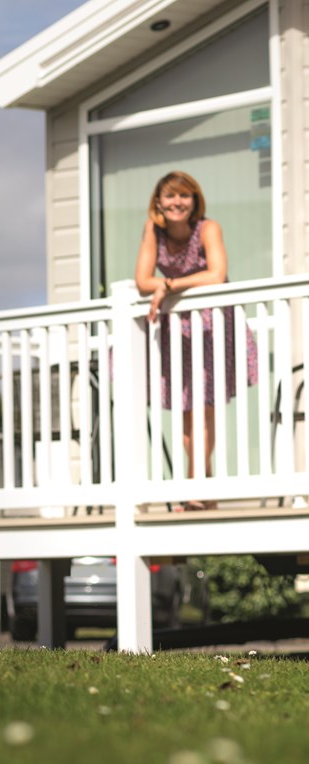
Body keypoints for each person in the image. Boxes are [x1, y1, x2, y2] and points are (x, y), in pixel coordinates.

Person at [134, 170, 258, 511]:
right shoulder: (153, 231)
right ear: (158, 201)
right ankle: (206, 492)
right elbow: (142, 279)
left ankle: (195, 492)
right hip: (180, 331)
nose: (177, 202)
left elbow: (216, 275)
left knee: (205, 411)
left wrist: (168, 285)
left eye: (184, 196)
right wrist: (159, 285)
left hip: (214, 325)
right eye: (170, 196)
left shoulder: (209, 228)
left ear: (195, 200)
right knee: (188, 416)